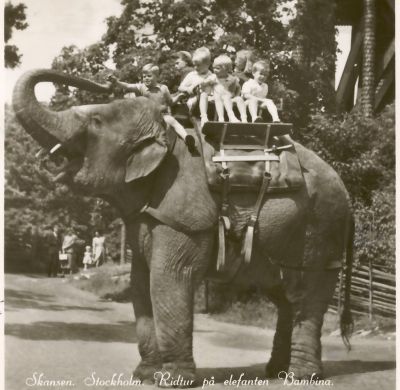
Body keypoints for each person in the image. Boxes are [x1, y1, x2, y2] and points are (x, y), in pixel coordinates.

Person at [109, 64, 195, 149]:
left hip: (162, 115)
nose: (146, 78)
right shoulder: (141, 87)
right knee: (132, 125)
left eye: (149, 76)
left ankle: (186, 138)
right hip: (146, 117)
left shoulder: (163, 88)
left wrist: (179, 97)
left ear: (157, 77)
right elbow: (127, 86)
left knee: (173, 121)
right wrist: (116, 82)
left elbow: (170, 102)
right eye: (144, 76)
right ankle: (122, 142)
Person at [177, 47, 215, 127]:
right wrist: (187, 89)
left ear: (208, 64)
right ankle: (190, 118)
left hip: (209, 101)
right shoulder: (192, 75)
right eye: (195, 65)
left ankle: (212, 121)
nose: (196, 68)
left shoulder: (211, 75)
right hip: (195, 99)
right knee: (192, 102)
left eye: (199, 65)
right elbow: (180, 87)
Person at [212, 54, 247, 123]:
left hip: (229, 98)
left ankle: (244, 118)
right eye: (214, 68)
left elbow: (238, 87)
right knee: (223, 97)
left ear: (226, 69)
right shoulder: (213, 78)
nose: (215, 70)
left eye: (218, 68)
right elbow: (205, 85)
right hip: (217, 98)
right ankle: (223, 117)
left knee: (239, 99)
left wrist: (237, 95)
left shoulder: (232, 79)